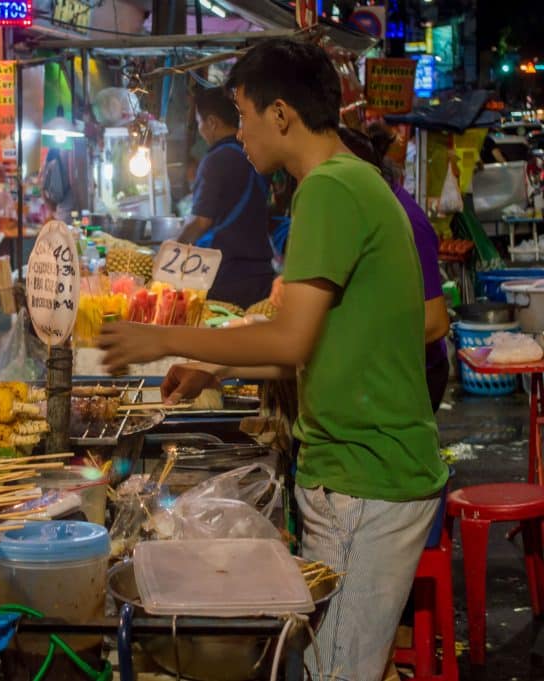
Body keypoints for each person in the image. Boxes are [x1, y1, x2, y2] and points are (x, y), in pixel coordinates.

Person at [98, 38, 447, 681]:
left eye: (244, 112)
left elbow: (286, 341)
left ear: (281, 113)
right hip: (365, 474)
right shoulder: (354, 182)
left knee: (335, 672)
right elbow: (306, 352)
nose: (240, 131)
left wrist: (166, 339)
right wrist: (218, 367)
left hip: (365, 479)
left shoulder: (330, 190)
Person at [338, 124, 451, 412]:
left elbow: (435, 323)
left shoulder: (405, 219)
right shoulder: (365, 208)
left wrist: (349, 344)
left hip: (414, 374)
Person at [178, 85, 274, 308]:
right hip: (260, 274)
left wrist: (171, 250)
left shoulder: (216, 160)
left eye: (200, 122)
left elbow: (200, 222)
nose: (200, 129)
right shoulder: (255, 153)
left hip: (226, 276)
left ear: (212, 122)